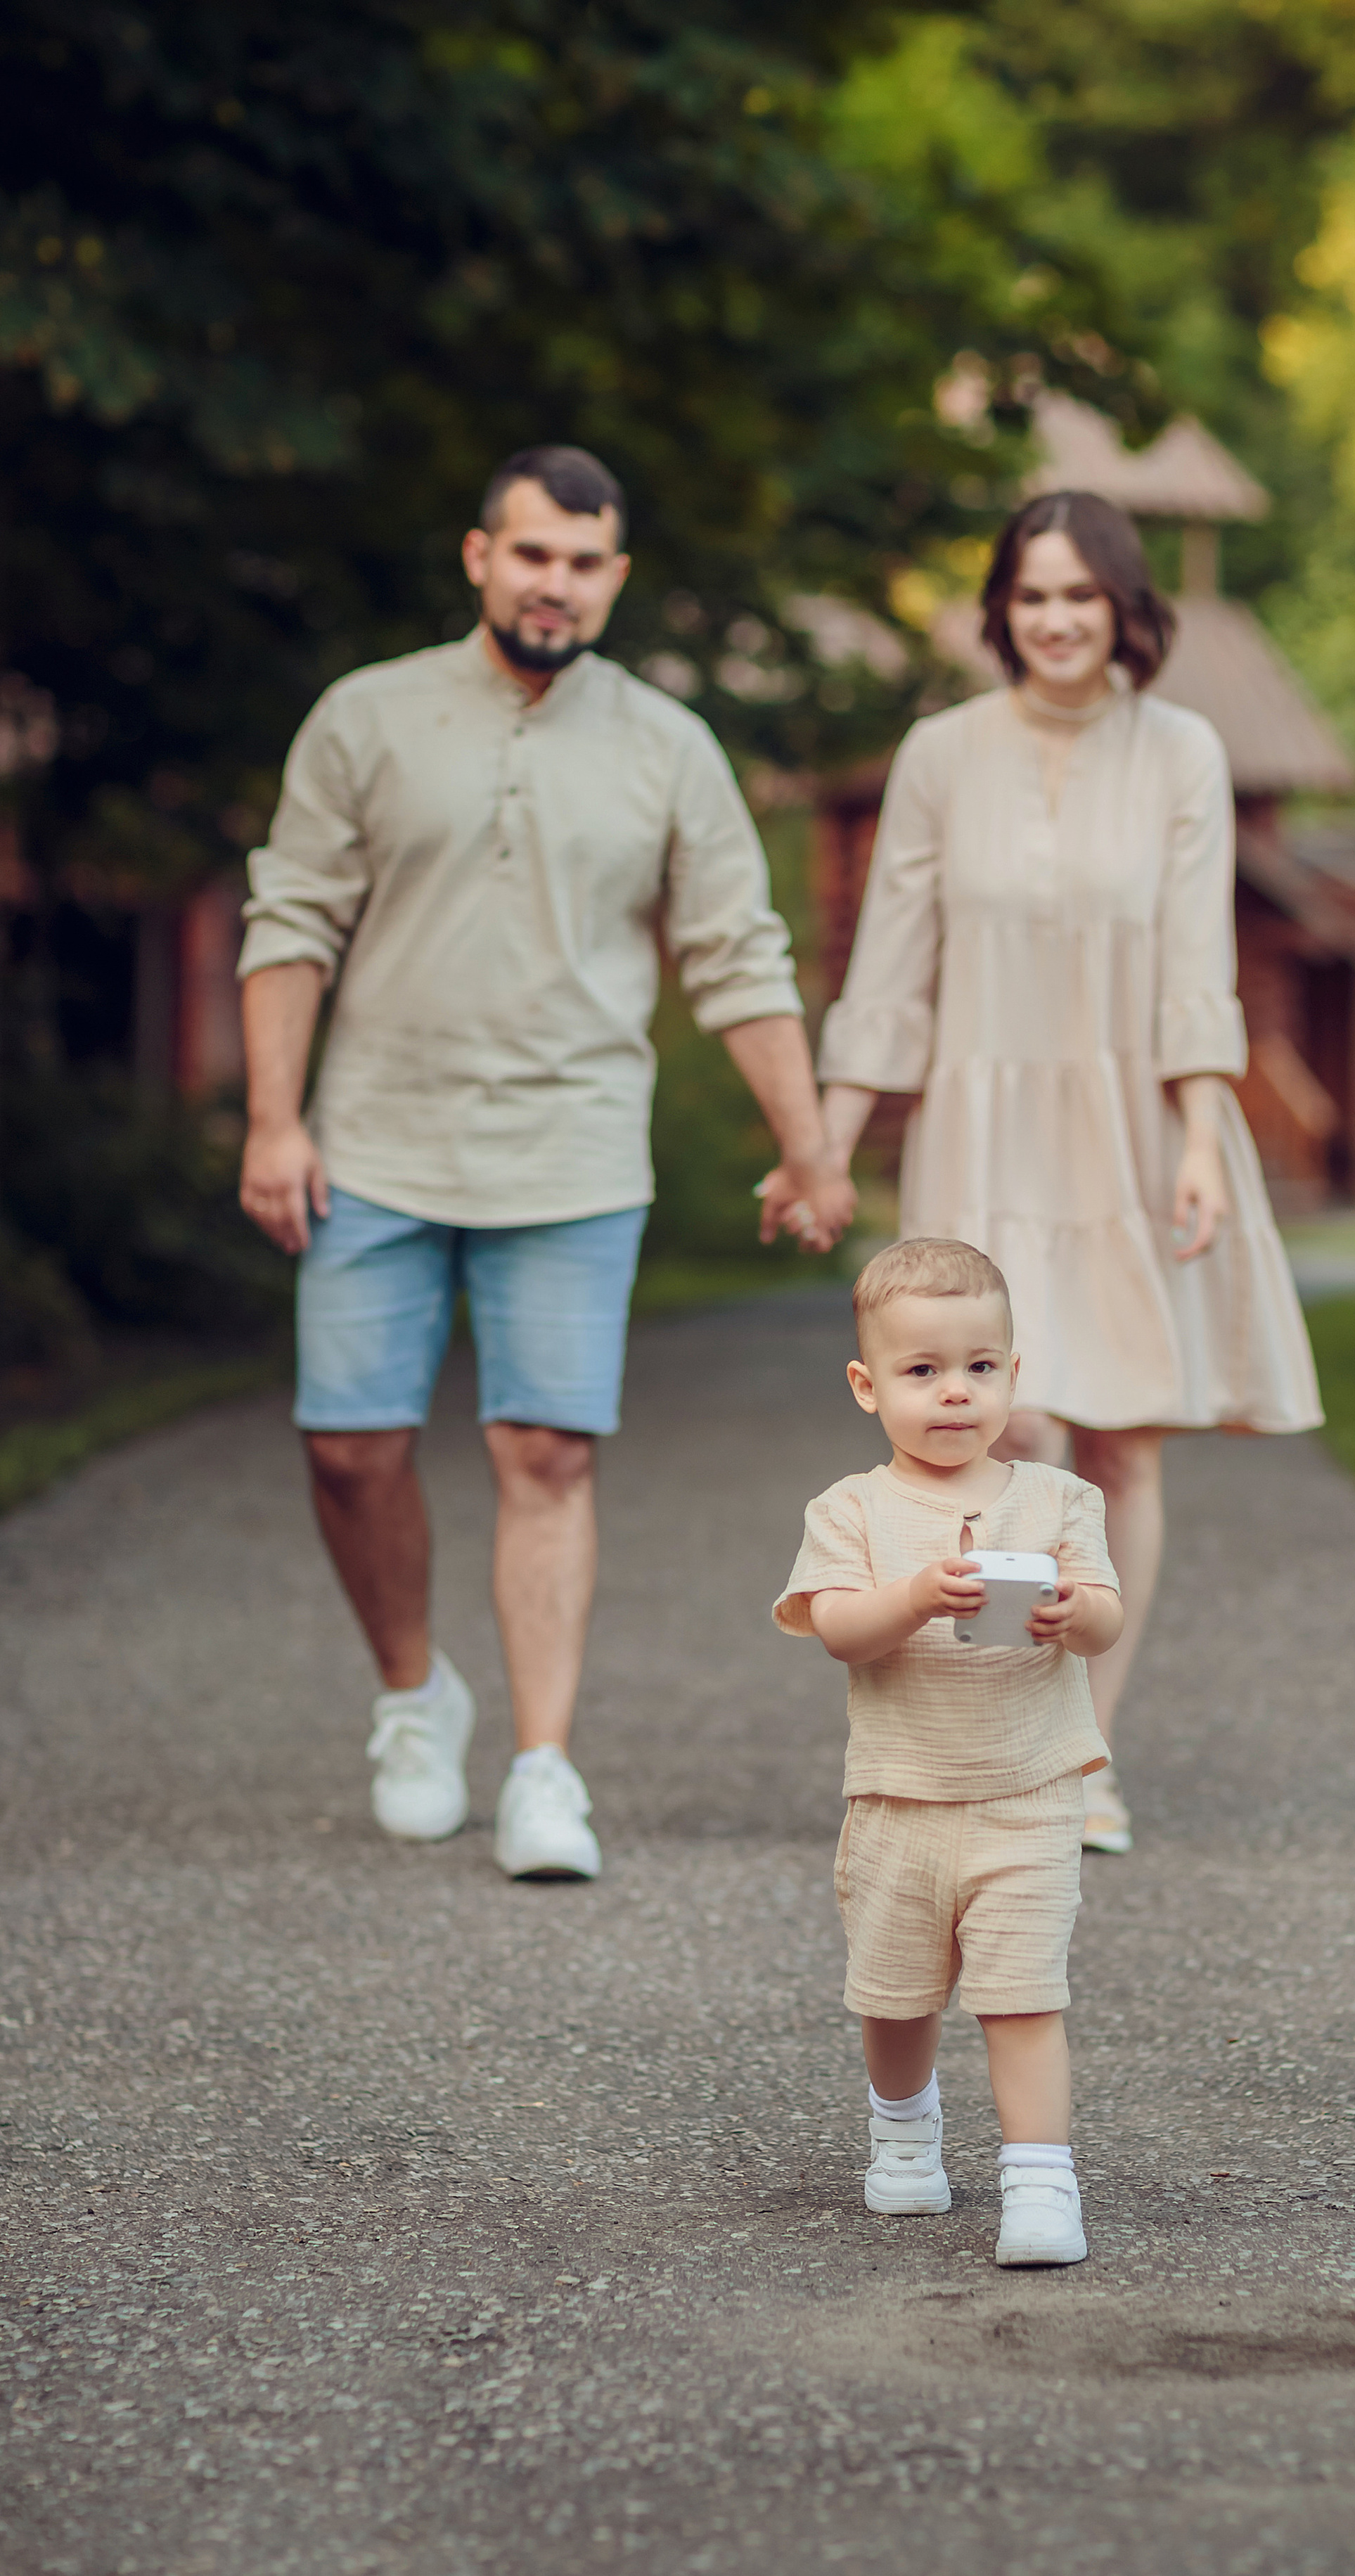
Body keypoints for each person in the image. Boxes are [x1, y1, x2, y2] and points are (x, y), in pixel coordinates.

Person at [238, 443, 856, 1881]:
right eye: (531, 555)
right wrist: (275, 1119)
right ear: (480, 556)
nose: (554, 585)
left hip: (572, 1149)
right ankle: (413, 1697)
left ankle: (541, 1769)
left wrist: (809, 1144)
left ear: (615, 578)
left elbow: (736, 953)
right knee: (348, 1450)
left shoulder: (667, 746)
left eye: (583, 564)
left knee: (546, 1451)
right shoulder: (366, 717)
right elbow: (291, 919)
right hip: (376, 1139)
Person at [815, 490, 1321, 1856]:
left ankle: (1085, 1754)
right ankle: (1000, 1742)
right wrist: (827, 1142)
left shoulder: (1183, 752)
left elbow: (1196, 962)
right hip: (981, 1129)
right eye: (1031, 595)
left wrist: (1203, 1137)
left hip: (1132, 1127)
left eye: (1079, 596)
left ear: (1122, 609)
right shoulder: (940, 754)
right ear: (1001, 611)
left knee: (1120, 1442)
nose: (1054, 620)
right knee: (1008, 1433)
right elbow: (889, 970)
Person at [775, 1237, 1122, 2267]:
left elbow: (1107, 1617)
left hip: (1031, 1793)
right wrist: (919, 1595)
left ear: (1014, 1374)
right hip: (901, 1798)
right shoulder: (849, 1509)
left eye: (979, 1366)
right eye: (922, 1370)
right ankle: (903, 2129)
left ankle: (1040, 2182)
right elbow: (839, 1629)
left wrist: (1072, 1613)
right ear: (867, 1387)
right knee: (895, 1996)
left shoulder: (1061, 1499)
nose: (955, 1391)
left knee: (1024, 1994)